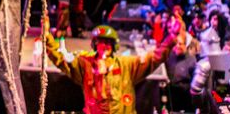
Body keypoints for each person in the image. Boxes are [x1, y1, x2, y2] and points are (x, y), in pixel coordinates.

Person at [45, 18, 182, 114]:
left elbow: (154, 58)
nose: (104, 46)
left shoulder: (126, 65)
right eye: (100, 42)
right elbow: (61, 59)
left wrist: (171, 37)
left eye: (107, 43)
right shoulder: (85, 65)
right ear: (94, 45)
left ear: (114, 46)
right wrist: (47, 36)